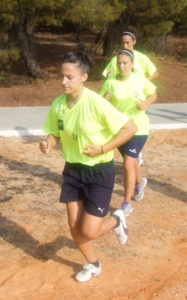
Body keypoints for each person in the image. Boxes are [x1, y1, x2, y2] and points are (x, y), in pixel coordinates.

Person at [39, 48, 137, 282]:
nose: (64, 81)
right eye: (62, 76)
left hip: (99, 173)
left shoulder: (95, 102)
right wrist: (49, 143)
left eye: (69, 77)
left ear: (83, 77)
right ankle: (92, 264)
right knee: (74, 226)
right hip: (73, 171)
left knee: (89, 231)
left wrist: (103, 148)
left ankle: (117, 220)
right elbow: (55, 132)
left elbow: (130, 128)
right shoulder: (59, 104)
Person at [100, 49, 157, 217]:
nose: (122, 66)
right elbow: (100, 102)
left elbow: (154, 93)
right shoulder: (110, 82)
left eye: (125, 63)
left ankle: (126, 204)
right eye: (119, 63)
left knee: (127, 164)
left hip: (138, 128)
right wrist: (105, 98)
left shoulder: (139, 80)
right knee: (131, 163)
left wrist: (146, 103)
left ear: (131, 64)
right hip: (119, 129)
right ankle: (139, 184)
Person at [102, 29, 159, 167]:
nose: (125, 45)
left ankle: (134, 162)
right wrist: (110, 77)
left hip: (137, 103)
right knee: (129, 160)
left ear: (134, 42)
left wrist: (141, 82)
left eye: (128, 42)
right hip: (119, 109)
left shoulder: (142, 58)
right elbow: (108, 78)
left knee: (129, 161)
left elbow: (155, 73)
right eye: (122, 42)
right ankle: (139, 181)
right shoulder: (117, 59)